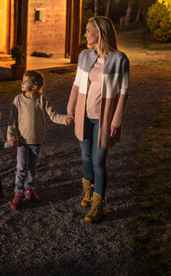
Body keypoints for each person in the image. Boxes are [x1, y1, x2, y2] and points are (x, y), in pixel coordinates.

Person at [66, 16, 130, 223]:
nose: (85, 34)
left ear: (100, 32)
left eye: (88, 30)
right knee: (85, 158)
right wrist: (70, 110)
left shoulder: (120, 59)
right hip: (83, 116)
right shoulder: (85, 56)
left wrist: (116, 121)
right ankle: (87, 190)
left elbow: (123, 92)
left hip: (103, 120)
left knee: (98, 161)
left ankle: (98, 204)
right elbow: (76, 85)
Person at [7, 70, 67, 211]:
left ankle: (29, 189)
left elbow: (53, 115)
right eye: (23, 80)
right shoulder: (18, 100)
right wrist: (10, 136)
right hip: (22, 141)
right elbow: (12, 120)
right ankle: (18, 193)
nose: (22, 83)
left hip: (36, 141)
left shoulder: (42, 99)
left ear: (34, 86)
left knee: (31, 167)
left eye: (25, 81)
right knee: (21, 168)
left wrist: (66, 119)